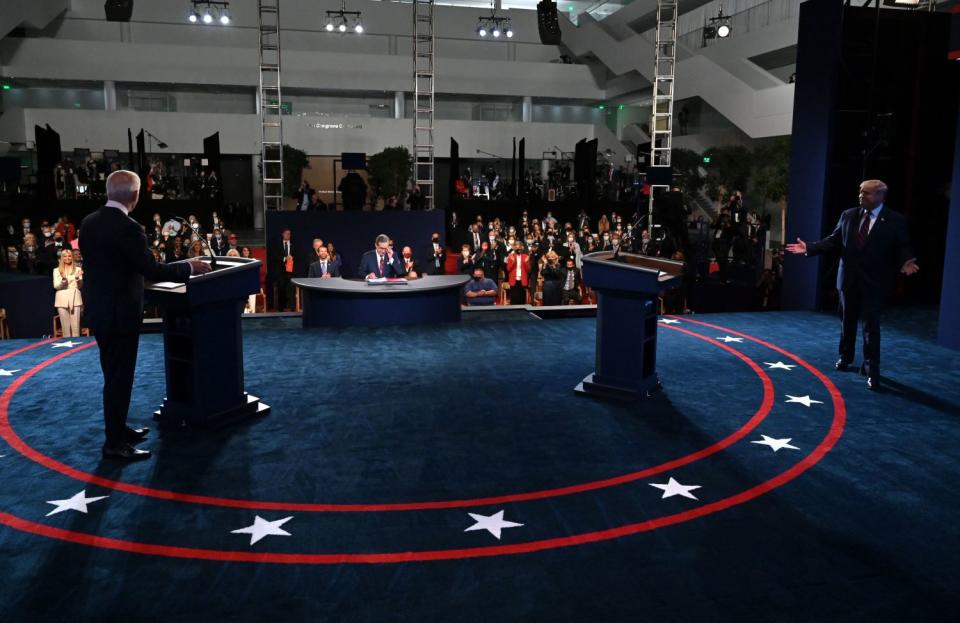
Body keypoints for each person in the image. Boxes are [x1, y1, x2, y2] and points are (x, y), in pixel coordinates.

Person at [79, 170, 211, 460]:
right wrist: (189, 267)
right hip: (120, 315)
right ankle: (114, 444)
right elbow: (151, 270)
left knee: (112, 376)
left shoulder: (88, 223)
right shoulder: (129, 228)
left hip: (100, 313)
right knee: (119, 379)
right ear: (135, 196)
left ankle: (118, 429)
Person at [785, 179, 918, 390]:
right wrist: (809, 247)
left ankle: (871, 369)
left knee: (870, 328)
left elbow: (902, 245)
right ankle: (845, 356)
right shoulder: (848, 215)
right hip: (847, 281)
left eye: (866, 193)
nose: (860, 196)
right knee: (847, 322)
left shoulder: (895, 220)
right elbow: (834, 240)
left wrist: (907, 261)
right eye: (860, 192)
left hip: (874, 284)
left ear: (880, 196)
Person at [53, 248, 84, 337]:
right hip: (62, 299)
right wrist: (64, 280)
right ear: (62, 258)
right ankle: (67, 346)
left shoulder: (78, 269)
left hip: (75, 298)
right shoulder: (56, 270)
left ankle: (77, 348)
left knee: (76, 327)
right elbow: (56, 286)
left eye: (69, 256)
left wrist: (77, 279)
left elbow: (80, 286)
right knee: (65, 328)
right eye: (65, 256)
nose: (67, 258)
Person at [272, 228, 296, 311]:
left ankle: (292, 308)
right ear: (282, 234)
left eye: (289, 234)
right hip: (280, 272)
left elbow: (298, 255)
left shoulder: (294, 244)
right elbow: (274, 256)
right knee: (281, 289)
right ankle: (281, 308)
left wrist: (292, 258)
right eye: (286, 233)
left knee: (291, 290)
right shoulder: (277, 244)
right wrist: (285, 259)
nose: (288, 235)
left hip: (291, 271)